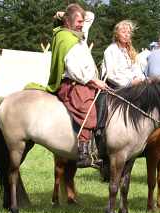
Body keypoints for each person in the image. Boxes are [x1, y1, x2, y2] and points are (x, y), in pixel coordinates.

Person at [47, 3, 107, 168]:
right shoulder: (65, 38)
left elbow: (90, 16)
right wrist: (94, 81)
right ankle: (83, 153)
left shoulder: (78, 34)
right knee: (87, 109)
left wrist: (67, 13)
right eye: (78, 21)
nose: (82, 24)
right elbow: (74, 70)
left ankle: (98, 149)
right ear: (68, 22)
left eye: (81, 22)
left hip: (85, 81)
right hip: (74, 83)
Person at [101, 20, 145, 89]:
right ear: (117, 34)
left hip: (134, 86)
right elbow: (110, 75)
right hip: (117, 88)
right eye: (123, 32)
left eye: (128, 33)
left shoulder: (131, 51)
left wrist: (140, 78)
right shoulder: (111, 50)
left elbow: (137, 69)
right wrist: (129, 83)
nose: (126, 35)